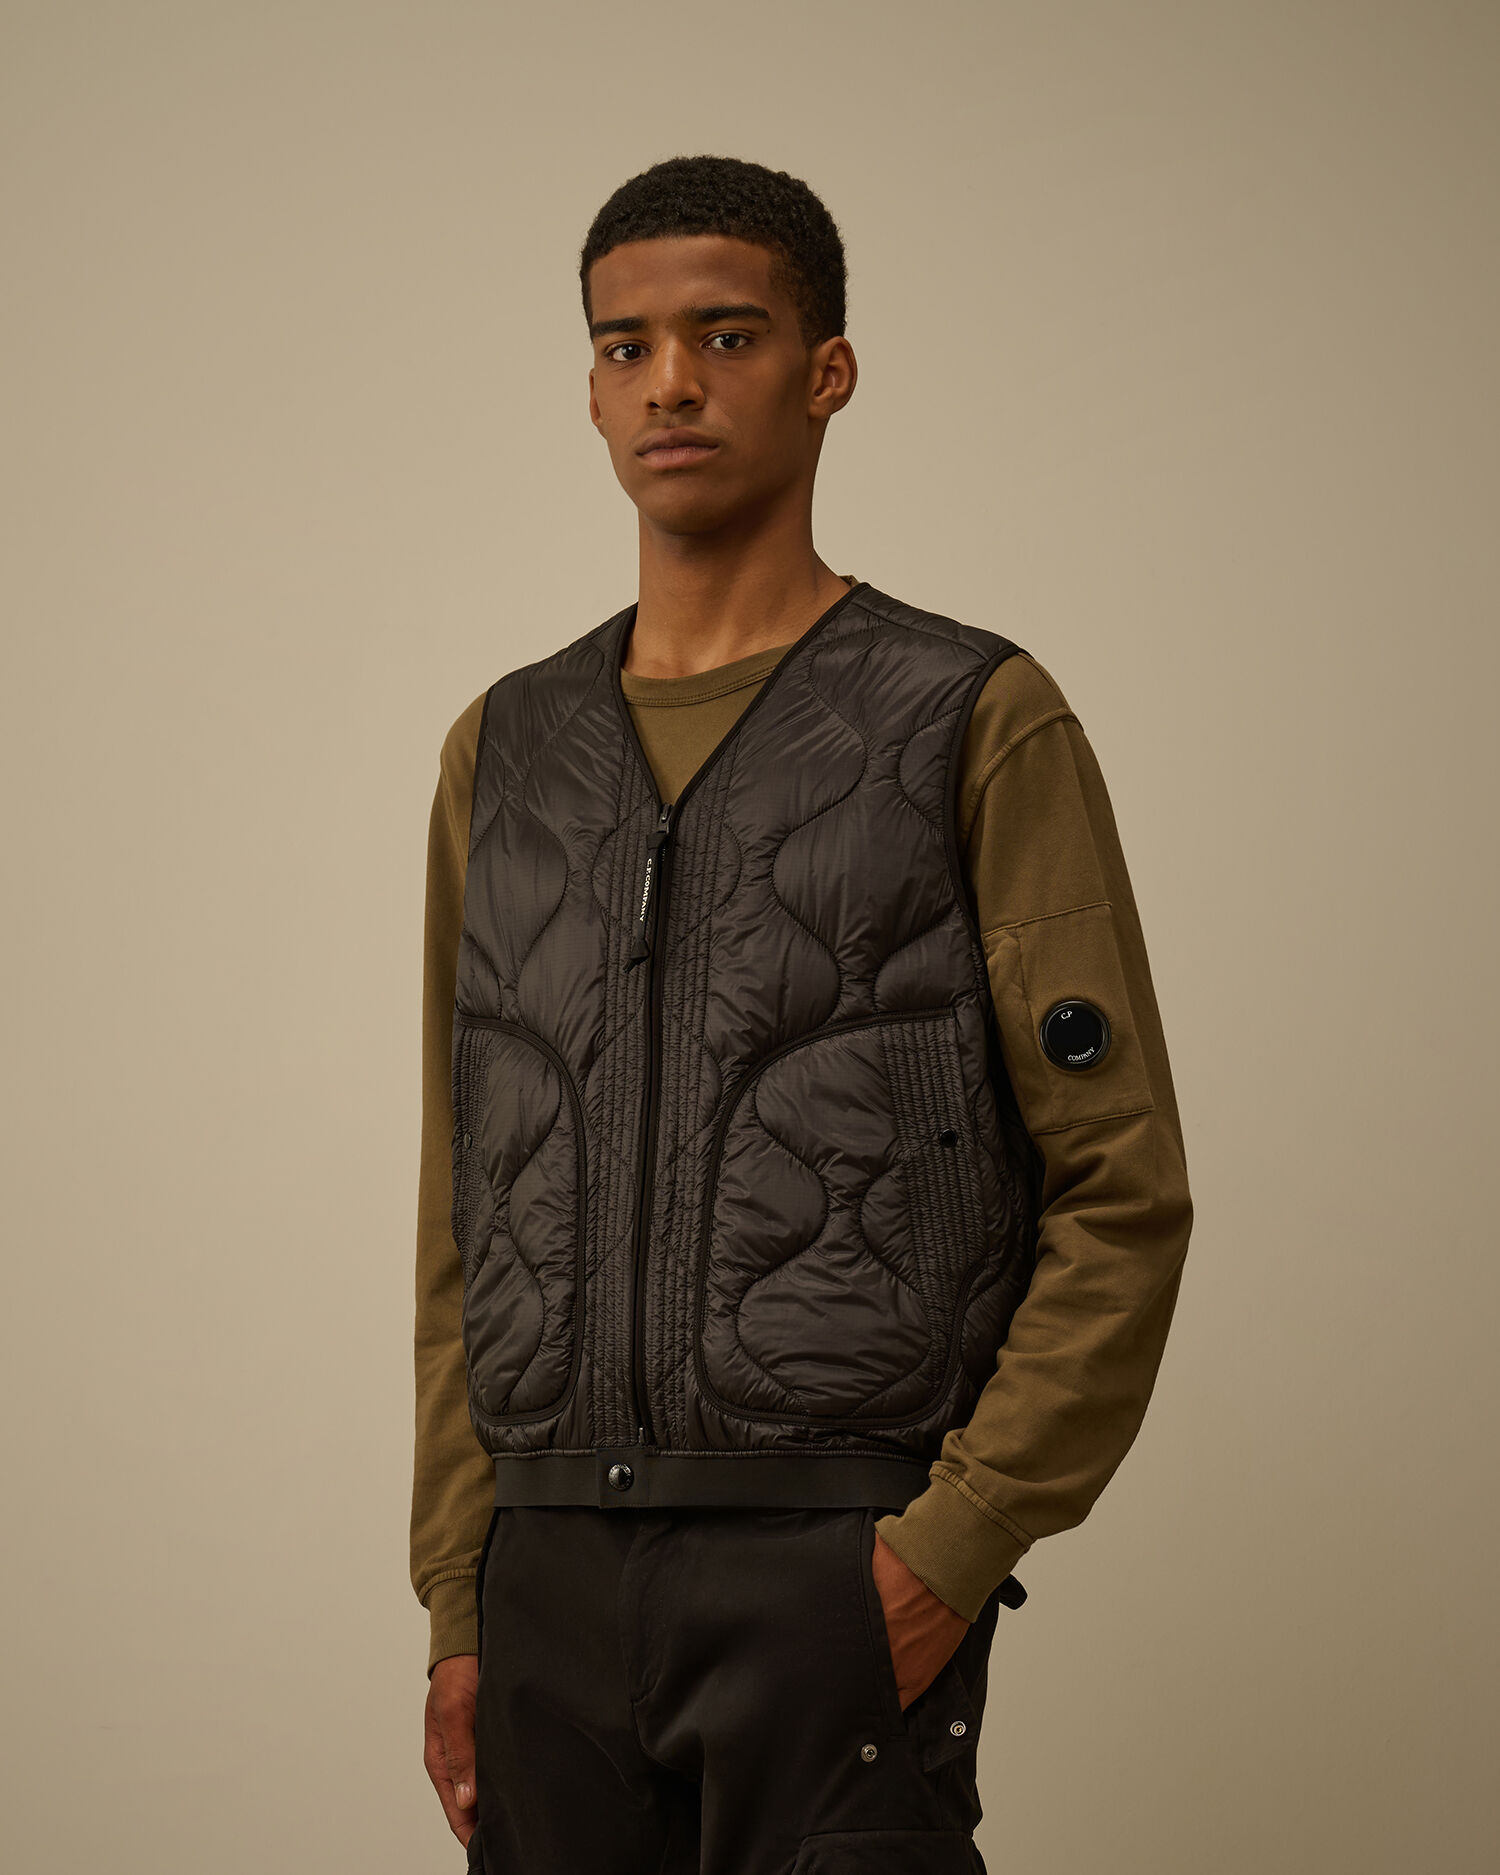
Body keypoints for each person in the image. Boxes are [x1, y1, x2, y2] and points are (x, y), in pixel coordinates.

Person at [410, 153, 1193, 1874]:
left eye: (725, 334)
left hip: (829, 1565)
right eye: (623, 346)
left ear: (826, 370)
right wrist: (458, 1599)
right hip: (542, 1584)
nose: (668, 384)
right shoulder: (507, 751)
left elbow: (1122, 1193)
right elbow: (464, 1210)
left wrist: (946, 1553)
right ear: (590, 387)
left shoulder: (970, 716)